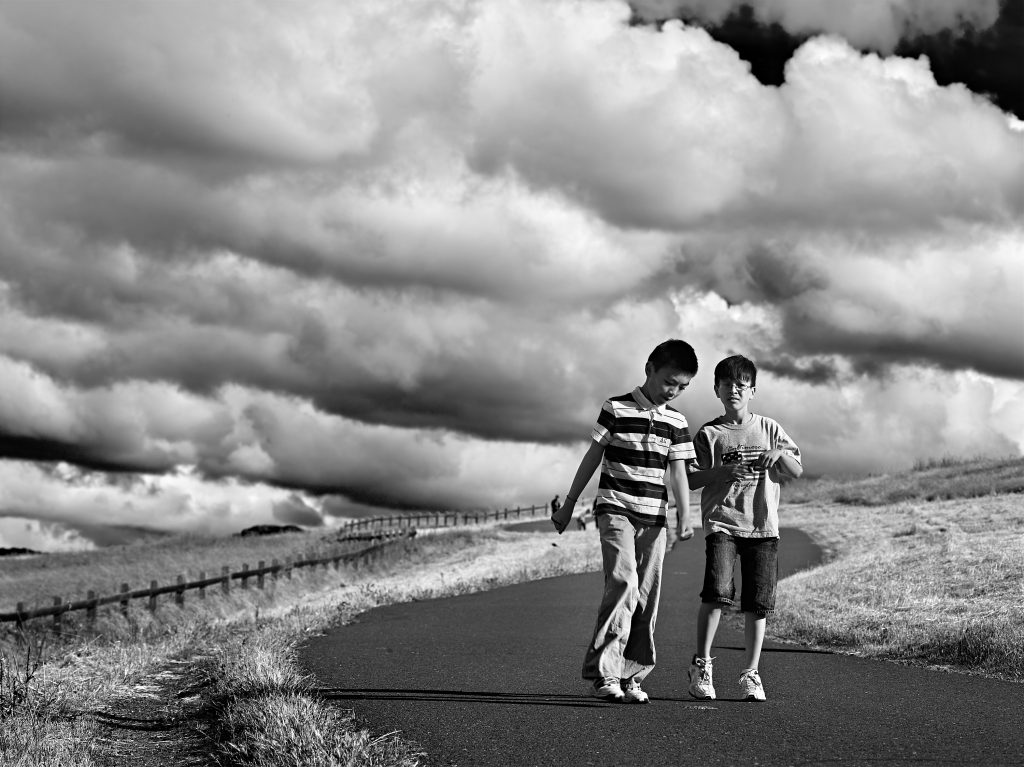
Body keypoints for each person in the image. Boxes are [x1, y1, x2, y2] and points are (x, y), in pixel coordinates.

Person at [551, 339, 699, 704]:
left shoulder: (677, 421)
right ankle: (604, 673)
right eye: (669, 382)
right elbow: (592, 456)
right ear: (649, 369)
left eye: (682, 387)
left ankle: (631, 675)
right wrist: (568, 504)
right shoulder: (615, 408)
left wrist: (685, 515)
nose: (673, 391)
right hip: (615, 510)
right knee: (623, 582)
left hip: (655, 519)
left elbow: (679, 472)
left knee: (646, 597)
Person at [686, 355, 802, 702]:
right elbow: (690, 477)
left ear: (752, 390)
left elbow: (796, 470)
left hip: (763, 527)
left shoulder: (769, 428)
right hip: (722, 523)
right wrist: (721, 472)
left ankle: (751, 674)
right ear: (716, 390)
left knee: (757, 604)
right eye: (727, 384)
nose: (733, 390)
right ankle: (702, 665)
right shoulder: (709, 433)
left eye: (741, 384)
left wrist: (777, 455)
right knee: (717, 593)